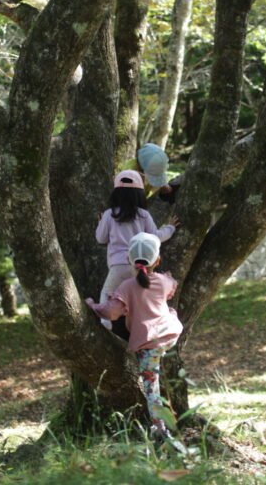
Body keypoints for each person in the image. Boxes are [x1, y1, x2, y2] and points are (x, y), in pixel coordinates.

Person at [85, 233, 183, 438]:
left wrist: (94, 306)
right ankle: (163, 422)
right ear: (158, 260)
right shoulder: (164, 281)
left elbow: (112, 313)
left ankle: (159, 427)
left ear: (129, 260)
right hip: (170, 334)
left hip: (149, 343)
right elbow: (170, 287)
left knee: (151, 387)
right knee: (156, 370)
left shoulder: (127, 287)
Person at [96, 169, 178, 329]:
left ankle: (106, 321)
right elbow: (156, 236)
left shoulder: (109, 215)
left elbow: (101, 238)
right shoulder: (143, 215)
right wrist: (171, 228)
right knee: (138, 298)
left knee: (106, 293)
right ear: (139, 194)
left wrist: (100, 224)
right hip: (141, 266)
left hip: (118, 266)